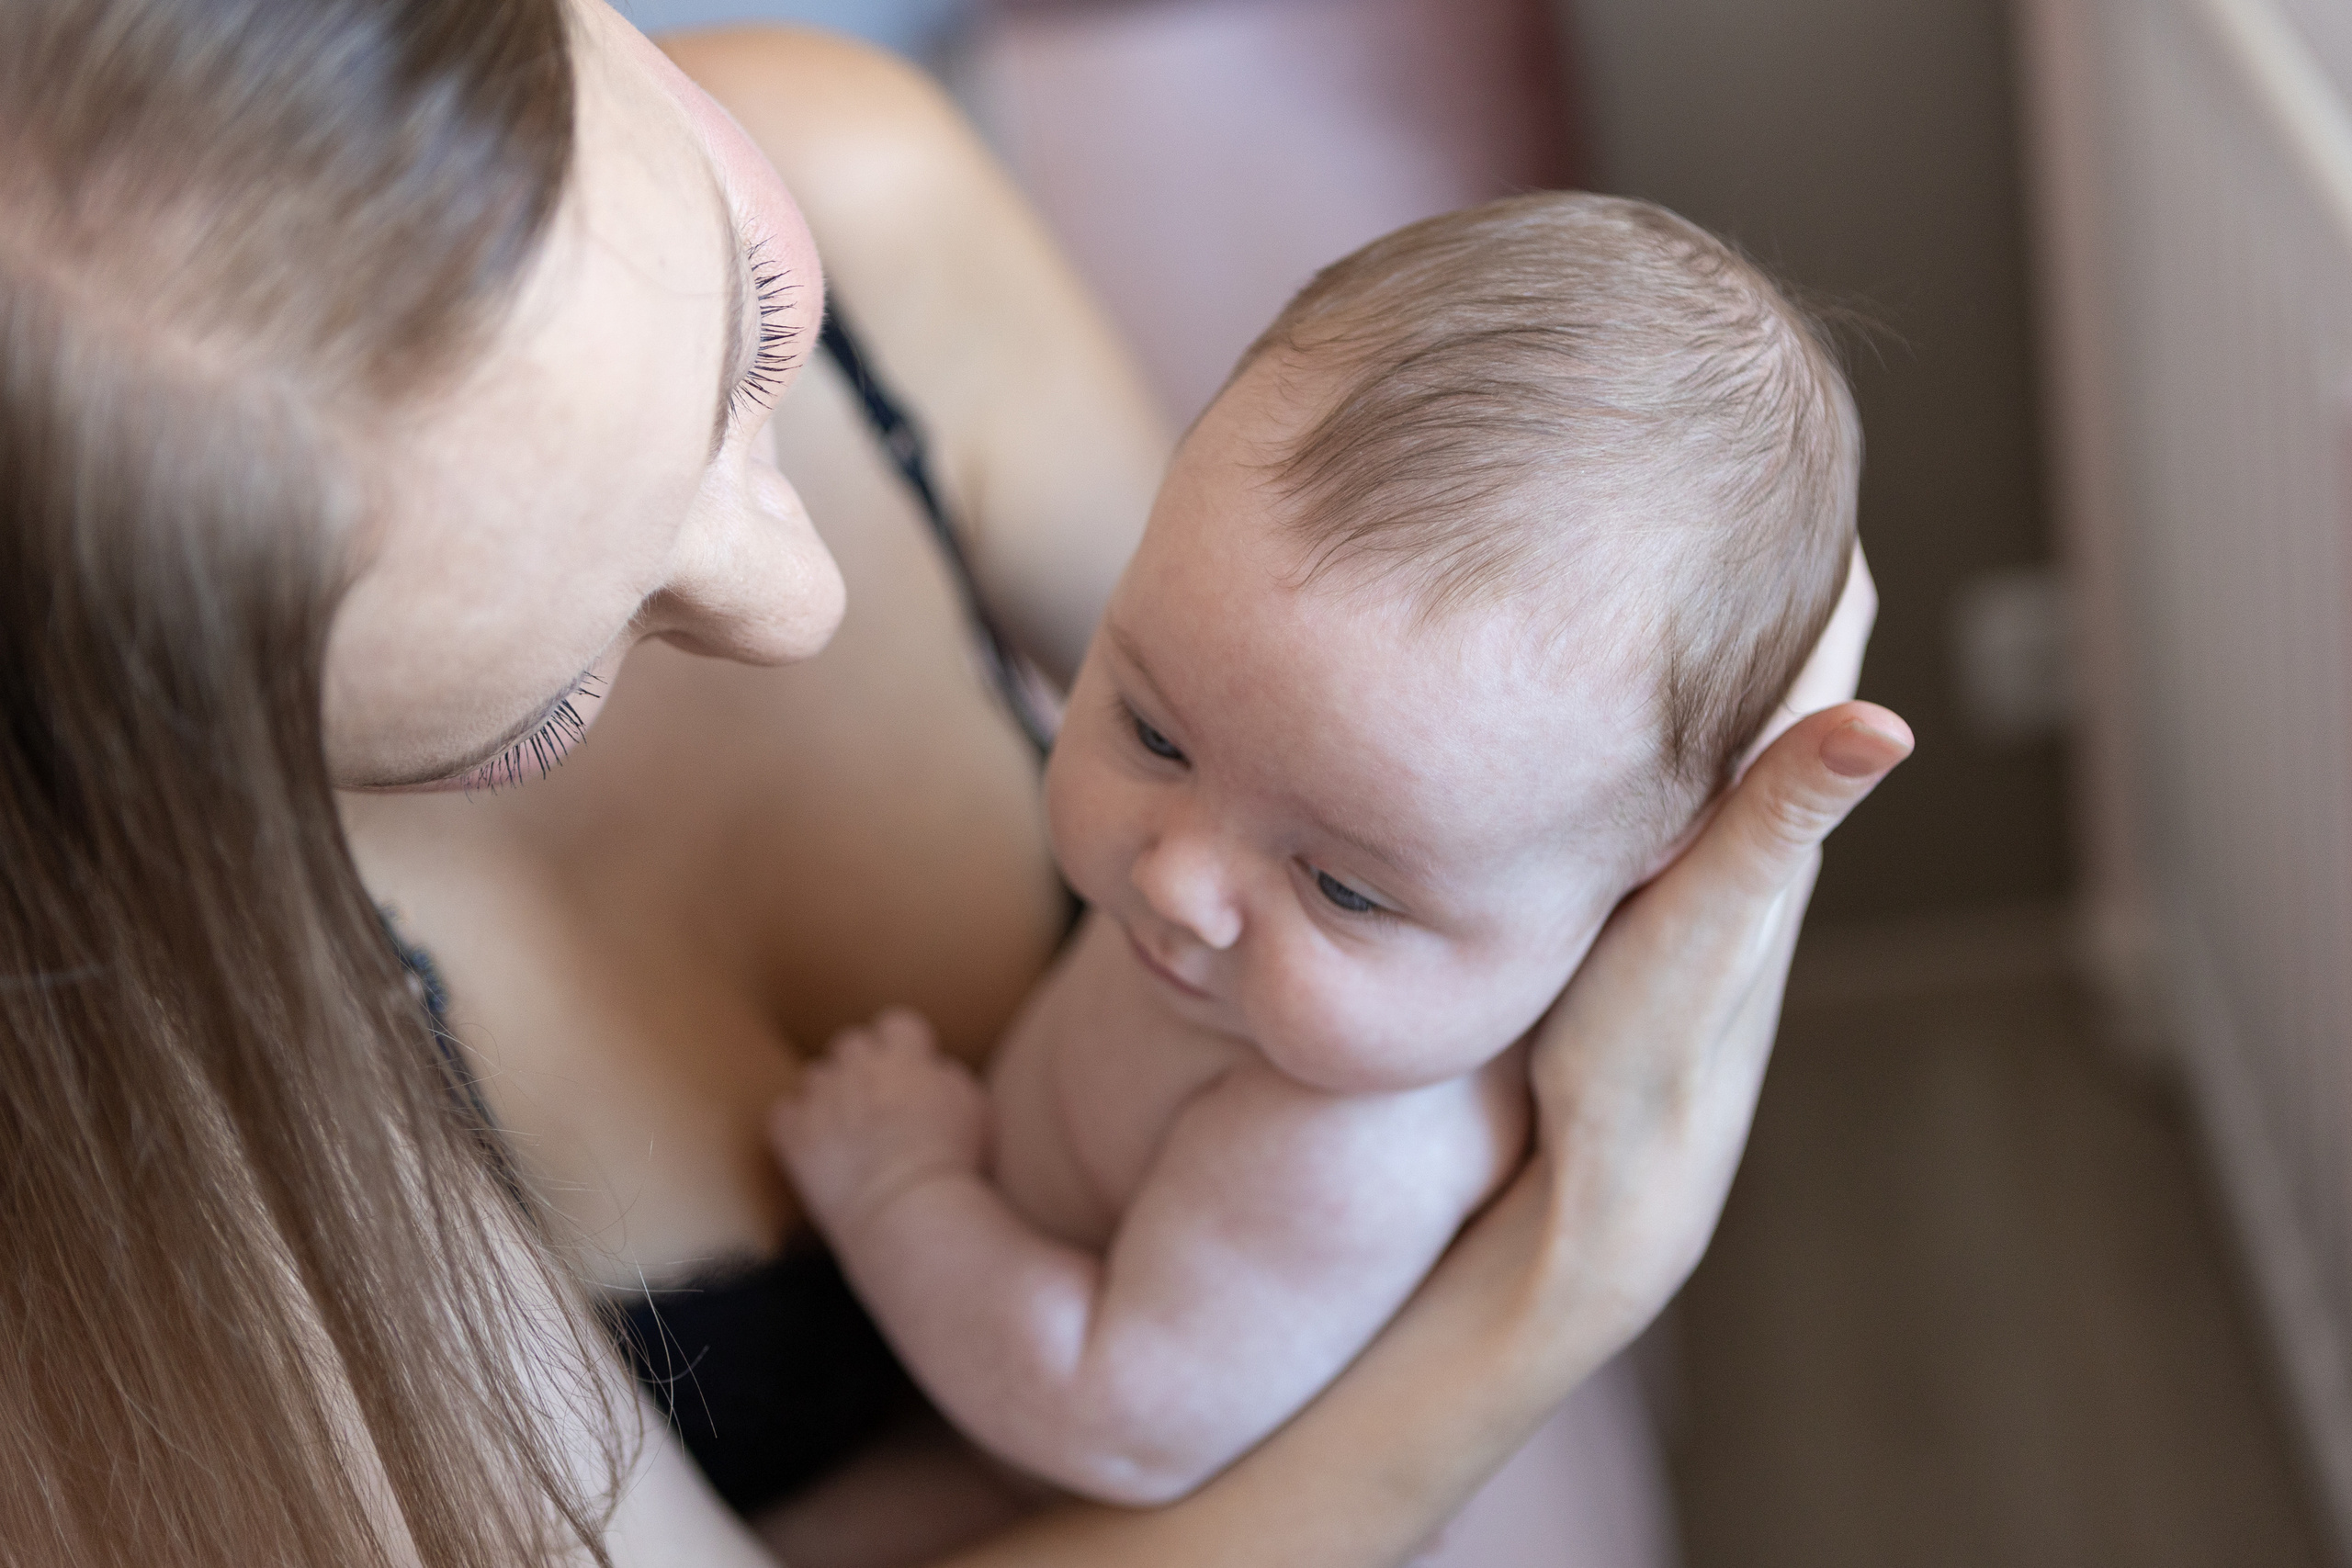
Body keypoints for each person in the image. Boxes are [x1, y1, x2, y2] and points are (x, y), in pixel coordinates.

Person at [0, 4, 1910, 1567]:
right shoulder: (111, 1039)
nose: (805, 593)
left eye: (758, 333)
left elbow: (1502, 696)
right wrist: (1572, 1274)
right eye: (546, 690)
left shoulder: (869, 179)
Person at [770, 190, 1860, 1508]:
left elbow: (1112, 1419)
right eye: (1152, 730)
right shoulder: (1293, 937)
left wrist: (902, 1188)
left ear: (1633, 893)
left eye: (1345, 886)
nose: (1174, 881)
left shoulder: (1341, 1151)